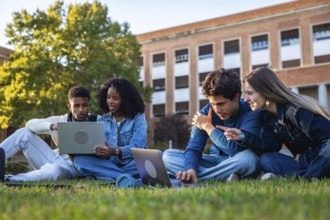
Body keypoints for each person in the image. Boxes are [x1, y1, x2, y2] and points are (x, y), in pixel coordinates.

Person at [162, 68, 261, 183]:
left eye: (221, 104)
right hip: (215, 161)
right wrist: (191, 170)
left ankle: (198, 178)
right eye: (212, 104)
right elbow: (194, 148)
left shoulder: (251, 111)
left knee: (250, 159)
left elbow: (236, 150)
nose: (217, 110)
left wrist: (208, 126)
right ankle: (211, 176)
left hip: (237, 160)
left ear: (236, 97)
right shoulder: (206, 112)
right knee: (168, 156)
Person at [239, 67, 330, 180]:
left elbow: (327, 141)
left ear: (265, 90)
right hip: (305, 163)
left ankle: (307, 177)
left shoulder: (296, 112)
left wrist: (303, 159)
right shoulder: (267, 116)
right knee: (266, 159)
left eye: (250, 93)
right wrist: (243, 136)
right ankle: (309, 175)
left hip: (321, 159)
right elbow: (272, 146)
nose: (246, 99)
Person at [0, 86, 99, 182]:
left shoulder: (98, 121)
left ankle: (8, 179)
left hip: (70, 168)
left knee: (55, 171)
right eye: (76, 106)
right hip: (53, 158)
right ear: (69, 107)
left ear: (89, 106)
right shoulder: (61, 120)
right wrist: (52, 126)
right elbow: (29, 124)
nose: (81, 110)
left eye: (84, 105)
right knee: (23, 134)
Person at [73, 77, 147, 181]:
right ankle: (127, 178)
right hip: (109, 164)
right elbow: (101, 151)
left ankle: (111, 176)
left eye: (115, 98)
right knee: (80, 161)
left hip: (132, 163)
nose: (110, 102)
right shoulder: (102, 120)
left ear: (125, 100)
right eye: (108, 97)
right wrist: (100, 152)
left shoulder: (138, 117)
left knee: (156, 158)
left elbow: (137, 146)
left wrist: (114, 151)